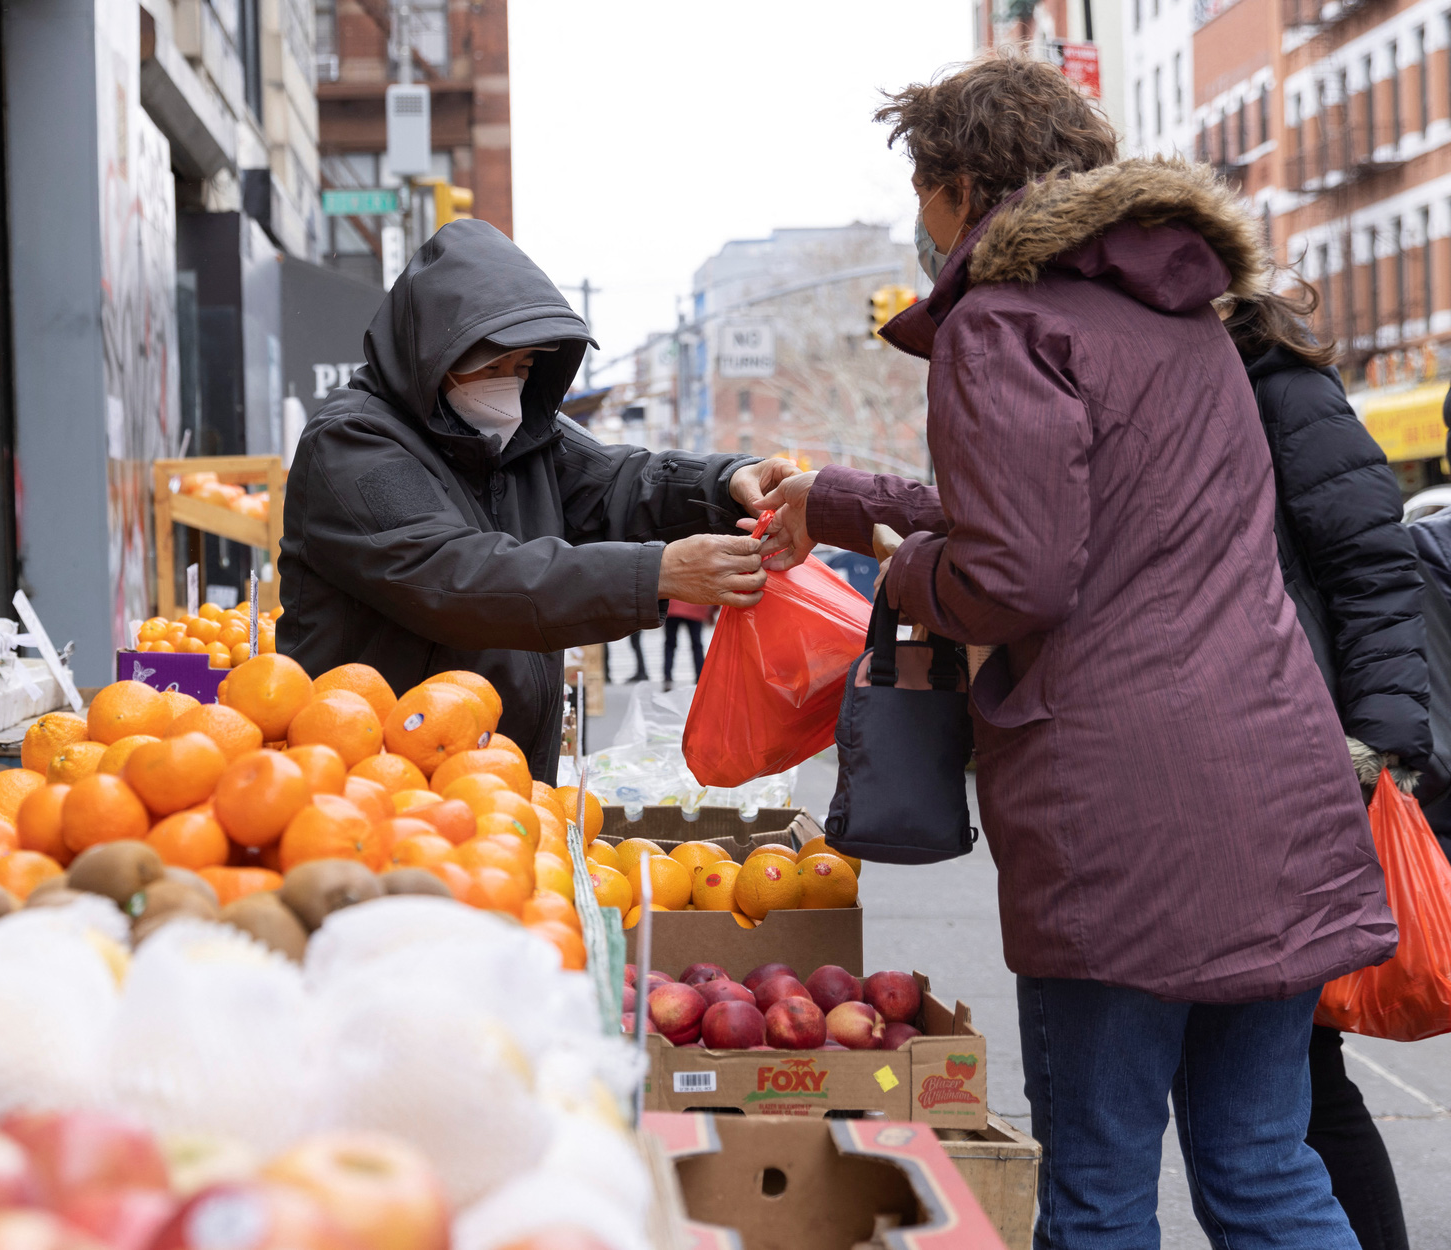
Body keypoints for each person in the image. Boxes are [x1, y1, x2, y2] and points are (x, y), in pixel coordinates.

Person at [754, 54, 1394, 1249]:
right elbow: (1067, 520)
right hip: (1274, 778)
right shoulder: (1182, 318)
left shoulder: (998, 320)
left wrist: (896, 569)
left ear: (954, 183)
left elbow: (1016, 572)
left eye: (920, 189)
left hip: (1120, 816)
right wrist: (837, 497)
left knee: (1097, 1186)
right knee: (1263, 1163)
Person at [278, 219, 780, 783]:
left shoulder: (522, 433)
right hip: (377, 773)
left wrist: (728, 479)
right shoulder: (353, 441)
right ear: (431, 356)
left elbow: (618, 483)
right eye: (490, 367)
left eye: (521, 368)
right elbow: (453, 574)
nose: (506, 387)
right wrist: (655, 572)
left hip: (500, 772)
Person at [1224, 281, 1424, 1250]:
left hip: (1308, 757)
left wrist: (1378, 745)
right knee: (1293, 1070)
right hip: (1244, 756)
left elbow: (1368, 561)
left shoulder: (1275, 384)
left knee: (1302, 1068)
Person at [662, 600, 709, 690]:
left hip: (673, 607)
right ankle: (700, 677)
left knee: (670, 645)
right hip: (696, 607)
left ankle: (667, 677)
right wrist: (712, 610)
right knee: (697, 645)